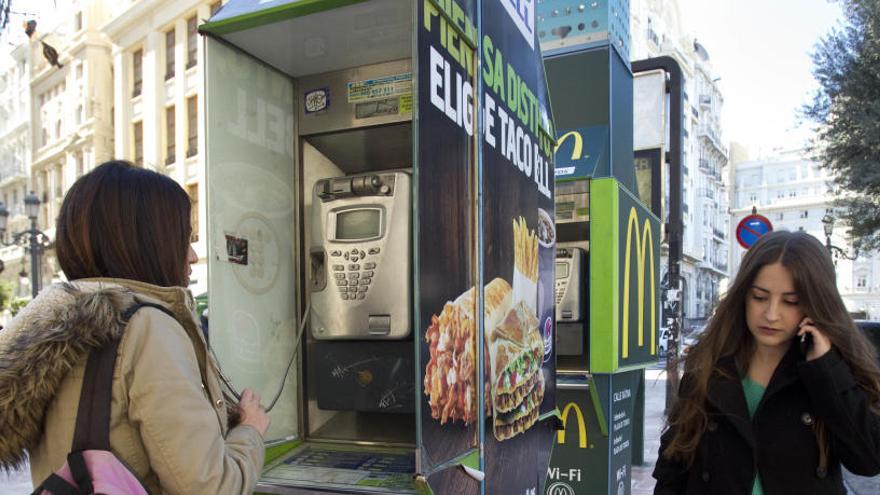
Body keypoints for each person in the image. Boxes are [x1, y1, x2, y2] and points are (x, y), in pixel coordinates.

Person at [0, 161, 269, 494]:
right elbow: (210, 487)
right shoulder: (148, 327)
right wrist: (250, 432)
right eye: (184, 239)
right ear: (150, 244)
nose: (192, 255)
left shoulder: (52, 323)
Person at [654, 230, 880, 494]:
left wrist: (826, 368)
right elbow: (675, 460)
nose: (771, 314)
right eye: (760, 297)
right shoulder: (710, 361)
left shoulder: (830, 370)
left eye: (790, 301)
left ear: (815, 303)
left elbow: (868, 460)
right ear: (743, 296)